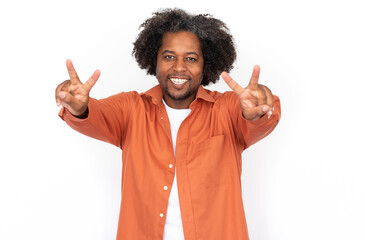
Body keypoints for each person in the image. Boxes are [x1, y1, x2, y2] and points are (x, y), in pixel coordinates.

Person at [55, 8, 281, 240]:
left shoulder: (226, 110)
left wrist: (257, 111)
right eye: (169, 56)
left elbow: (256, 118)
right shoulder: (132, 109)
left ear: (206, 65)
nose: (179, 67)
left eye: (191, 58)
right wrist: (79, 107)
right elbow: (94, 114)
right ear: (155, 60)